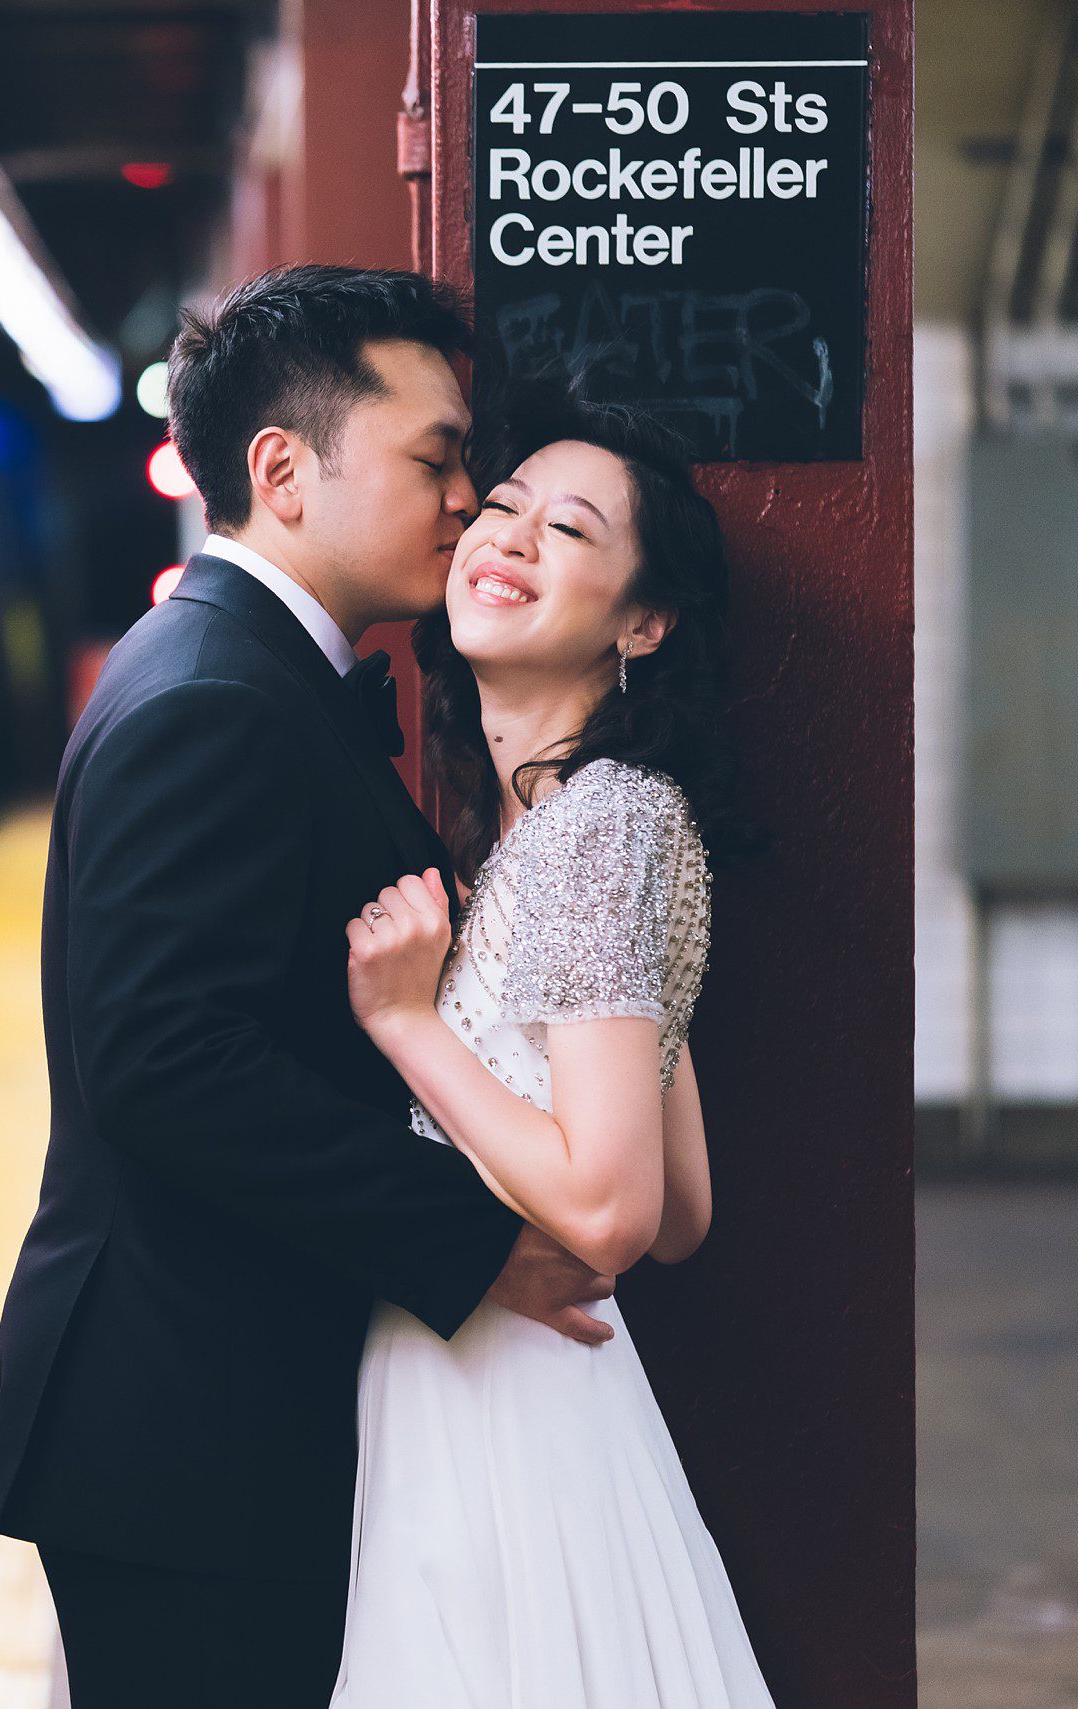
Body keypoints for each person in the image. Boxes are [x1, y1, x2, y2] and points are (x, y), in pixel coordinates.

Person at [0, 263, 617, 1705]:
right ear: (283, 470)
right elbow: (165, 1058)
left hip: (207, 1421)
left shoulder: (242, 671)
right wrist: (475, 1240)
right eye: (439, 459)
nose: (467, 500)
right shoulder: (213, 696)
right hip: (192, 1436)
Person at [329, 394, 774, 1704]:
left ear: (645, 623)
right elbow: (685, 1206)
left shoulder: (594, 830)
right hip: (548, 1404)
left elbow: (615, 1207)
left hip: (502, 1408)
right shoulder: (588, 822)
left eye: (569, 528)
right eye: (504, 504)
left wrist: (408, 1022)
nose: (506, 535)